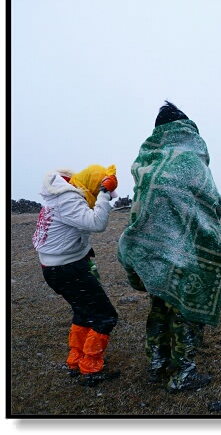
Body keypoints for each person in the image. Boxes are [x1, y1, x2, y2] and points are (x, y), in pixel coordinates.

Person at [117, 101, 221, 393]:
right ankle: (183, 373)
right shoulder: (190, 160)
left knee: (160, 302)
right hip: (187, 251)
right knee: (186, 308)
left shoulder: (150, 160)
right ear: (185, 127)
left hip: (154, 249)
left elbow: (141, 204)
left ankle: (157, 362)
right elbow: (211, 201)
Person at [32, 164, 120, 387]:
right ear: (93, 185)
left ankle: (75, 360)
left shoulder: (63, 195)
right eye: (101, 189)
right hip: (66, 268)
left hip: (58, 267)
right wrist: (103, 195)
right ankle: (90, 367)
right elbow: (96, 223)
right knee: (104, 316)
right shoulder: (68, 199)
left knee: (83, 312)